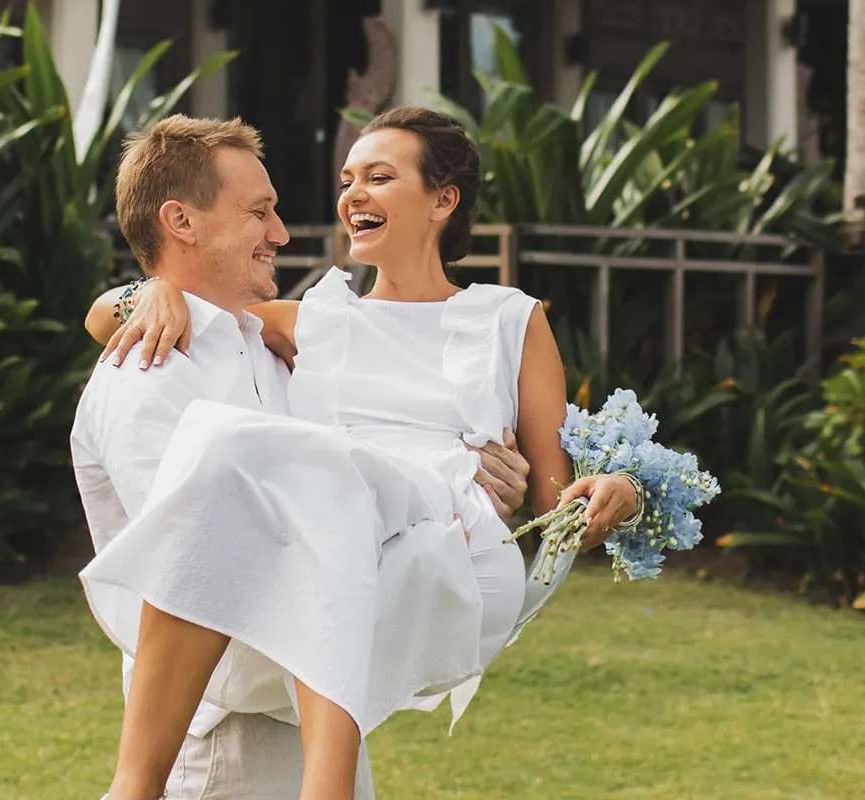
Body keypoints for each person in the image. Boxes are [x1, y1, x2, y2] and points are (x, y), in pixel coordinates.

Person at [80, 107, 642, 800]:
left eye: (379, 176)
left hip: (450, 534)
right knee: (251, 452)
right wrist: (153, 287)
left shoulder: (509, 318)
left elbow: (561, 503)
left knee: (308, 473)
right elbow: (116, 313)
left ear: (443, 199)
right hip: (342, 535)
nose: (352, 194)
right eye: (348, 179)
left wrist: (620, 493)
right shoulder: (318, 317)